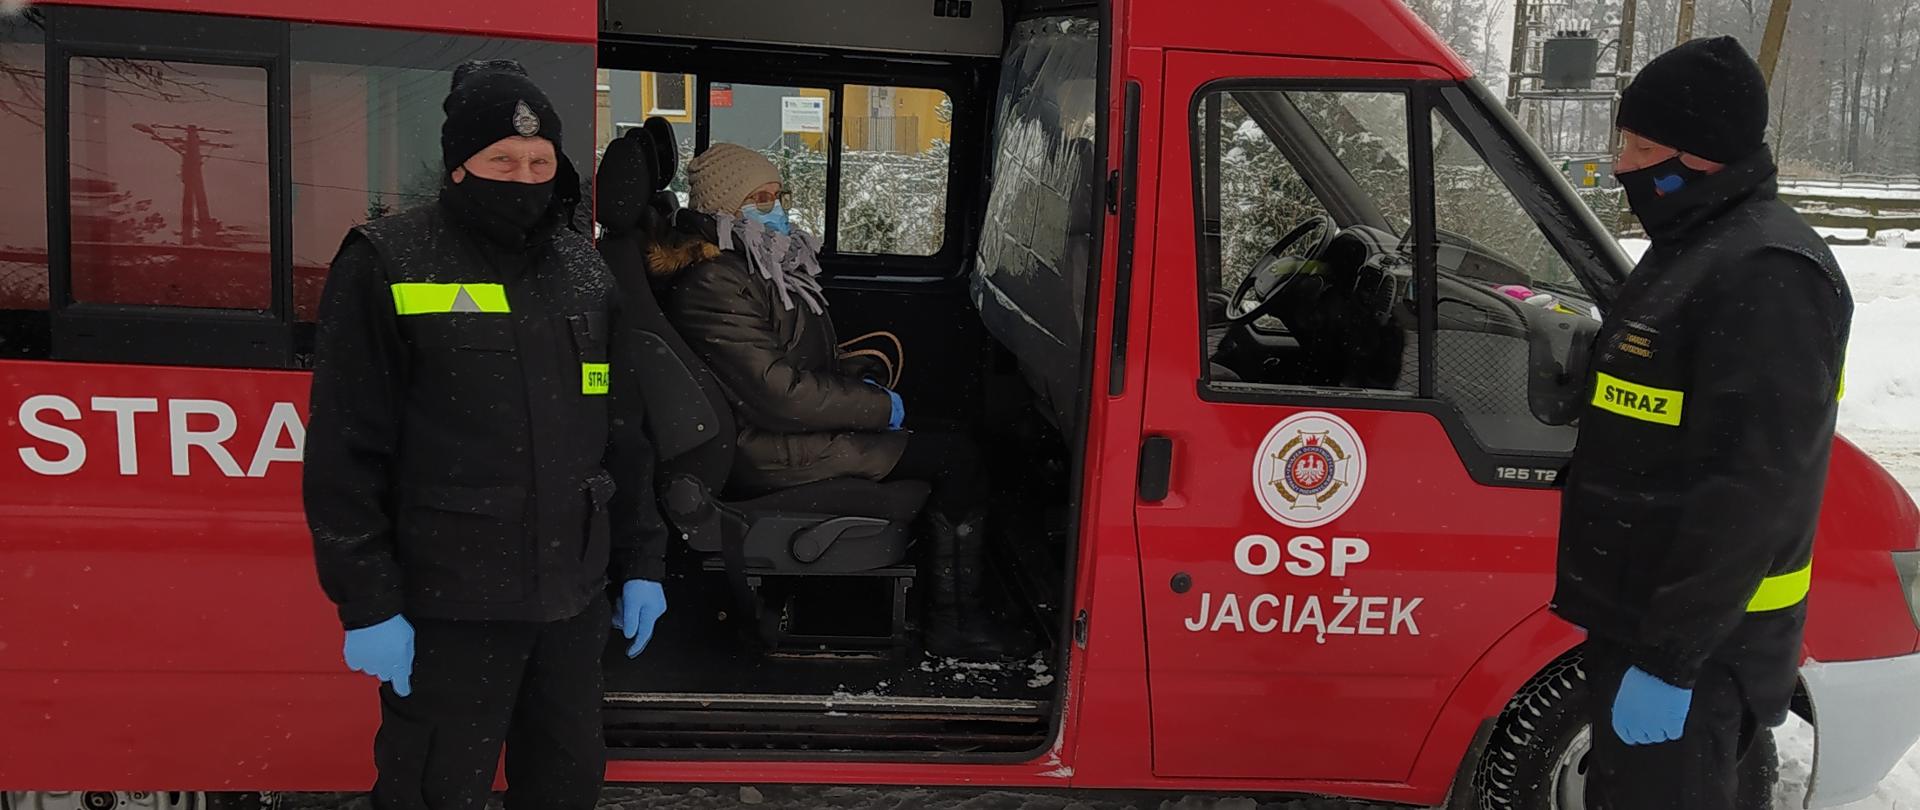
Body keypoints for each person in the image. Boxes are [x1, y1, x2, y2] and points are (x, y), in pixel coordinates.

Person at [303, 59, 671, 810]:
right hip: (451, 611)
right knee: (433, 794)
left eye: (540, 162)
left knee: (566, 788)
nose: (524, 176)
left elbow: (621, 431)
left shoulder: (584, 270)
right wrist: (369, 602)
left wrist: (641, 560)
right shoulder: (388, 260)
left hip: (570, 607)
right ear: (459, 166)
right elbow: (346, 450)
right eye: (502, 159)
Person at [1549, 36, 1852, 810]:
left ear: (1706, 156)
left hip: (1703, 649)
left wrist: (1673, 660)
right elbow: (1664, 406)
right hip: (1645, 622)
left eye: (1644, 145)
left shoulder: (1769, 273)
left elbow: (1752, 490)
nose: (1623, 164)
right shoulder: (1694, 247)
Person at [644, 142, 1002, 659]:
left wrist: (861, 381)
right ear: (722, 209)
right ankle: (957, 624)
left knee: (951, 428)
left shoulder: (752, 263)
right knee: (958, 461)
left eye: (777, 195)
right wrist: (878, 407)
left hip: (785, 430)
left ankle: (953, 606)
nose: (777, 208)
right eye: (760, 199)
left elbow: (788, 363)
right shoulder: (715, 281)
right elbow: (777, 396)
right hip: (766, 447)